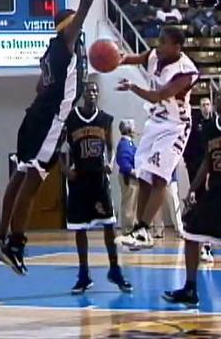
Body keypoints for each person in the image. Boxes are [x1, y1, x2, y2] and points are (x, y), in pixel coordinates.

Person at [0, 0, 105, 275]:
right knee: (33, 179)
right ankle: (15, 243)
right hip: (50, 120)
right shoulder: (67, 41)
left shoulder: (50, 52)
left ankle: (1, 237)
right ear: (69, 26)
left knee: (20, 174)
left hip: (35, 116)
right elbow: (85, 4)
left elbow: (40, 86)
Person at [163, 89, 221, 306]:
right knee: (191, 234)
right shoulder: (209, 128)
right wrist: (192, 189)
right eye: (219, 96)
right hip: (214, 193)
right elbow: (207, 161)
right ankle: (190, 289)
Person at [115, 27, 199, 249]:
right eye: (159, 40)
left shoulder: (186, 72)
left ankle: (143, 229)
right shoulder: (155, 55)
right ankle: (140, 232)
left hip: (176, 127)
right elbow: (134, 58)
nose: (158, 45)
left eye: (163, 42)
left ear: (177, 47)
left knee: (160, 178)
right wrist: (116, 59)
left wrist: (132, 87)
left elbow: (158, 96)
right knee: (144, 176)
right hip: (155, 122)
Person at [60, 82, 132, 294]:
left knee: (109, 224)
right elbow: (58, 148)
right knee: (79, 228)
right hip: (79, 179)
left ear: (98, 94)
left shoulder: (105, 119)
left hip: (99, 178)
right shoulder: (71, 119)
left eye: (95, 91)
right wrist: (65, 170)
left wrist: (110, 162)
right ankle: (84, 274)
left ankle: (115, 269)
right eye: (89, 90)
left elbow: (110, 146)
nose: (92, 93)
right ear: (83, 94)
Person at [183, 97, 215, 263]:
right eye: (203, 105)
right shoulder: (195, 124)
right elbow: (188, 146)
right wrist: (189, 164)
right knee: (201, 205)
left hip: (216, 173)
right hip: (198, 169)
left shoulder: (216, 124)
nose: (205, 107)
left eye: (208, 104)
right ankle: (204, 245)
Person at [116, 119, 138, 233]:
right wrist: (133, 171)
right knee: (129, 204)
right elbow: (124, 162)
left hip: (132, 177)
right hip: (128, 177)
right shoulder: (124, 144)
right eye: (133, 128)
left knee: (132, 204)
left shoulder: (129, 143)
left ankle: (131, 227)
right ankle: (128, 229)